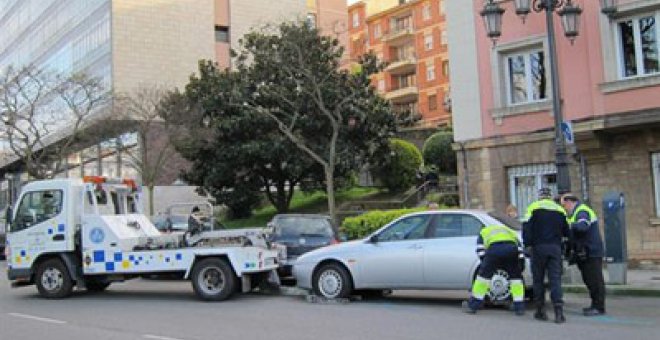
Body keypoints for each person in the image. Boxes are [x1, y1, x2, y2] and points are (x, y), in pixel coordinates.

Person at [522, 187, 570, 323]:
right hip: (555, 248)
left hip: (538, 248)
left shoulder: (533, 207)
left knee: (538, 280)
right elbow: (567, 231)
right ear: (550, 197)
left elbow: (526, 228)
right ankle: (559, 312)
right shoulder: (560, 210)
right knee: (555, 280)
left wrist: (527, 245)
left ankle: (540, 310)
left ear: (540, 196)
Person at [463, 224, 525, 316]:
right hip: (511, 249)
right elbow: (520, 249)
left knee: (482, 280)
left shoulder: (484, 232)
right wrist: (520, 265)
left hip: (494, 250)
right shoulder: (509, 231)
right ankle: (519, 308)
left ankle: (473, 306)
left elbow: (480, 250)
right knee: (516, 280)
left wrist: (486, 265)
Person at [560, 193, 606, 316]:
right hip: (585, 252)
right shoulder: (575, 213)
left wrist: (568, 226)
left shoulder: (582, 211)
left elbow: (582, 227)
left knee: (594, 280)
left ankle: (599, 306)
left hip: (591, 251)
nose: (564, 208)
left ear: (570, 202)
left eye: (564, 205)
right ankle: (595, 304)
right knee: (589, 280)